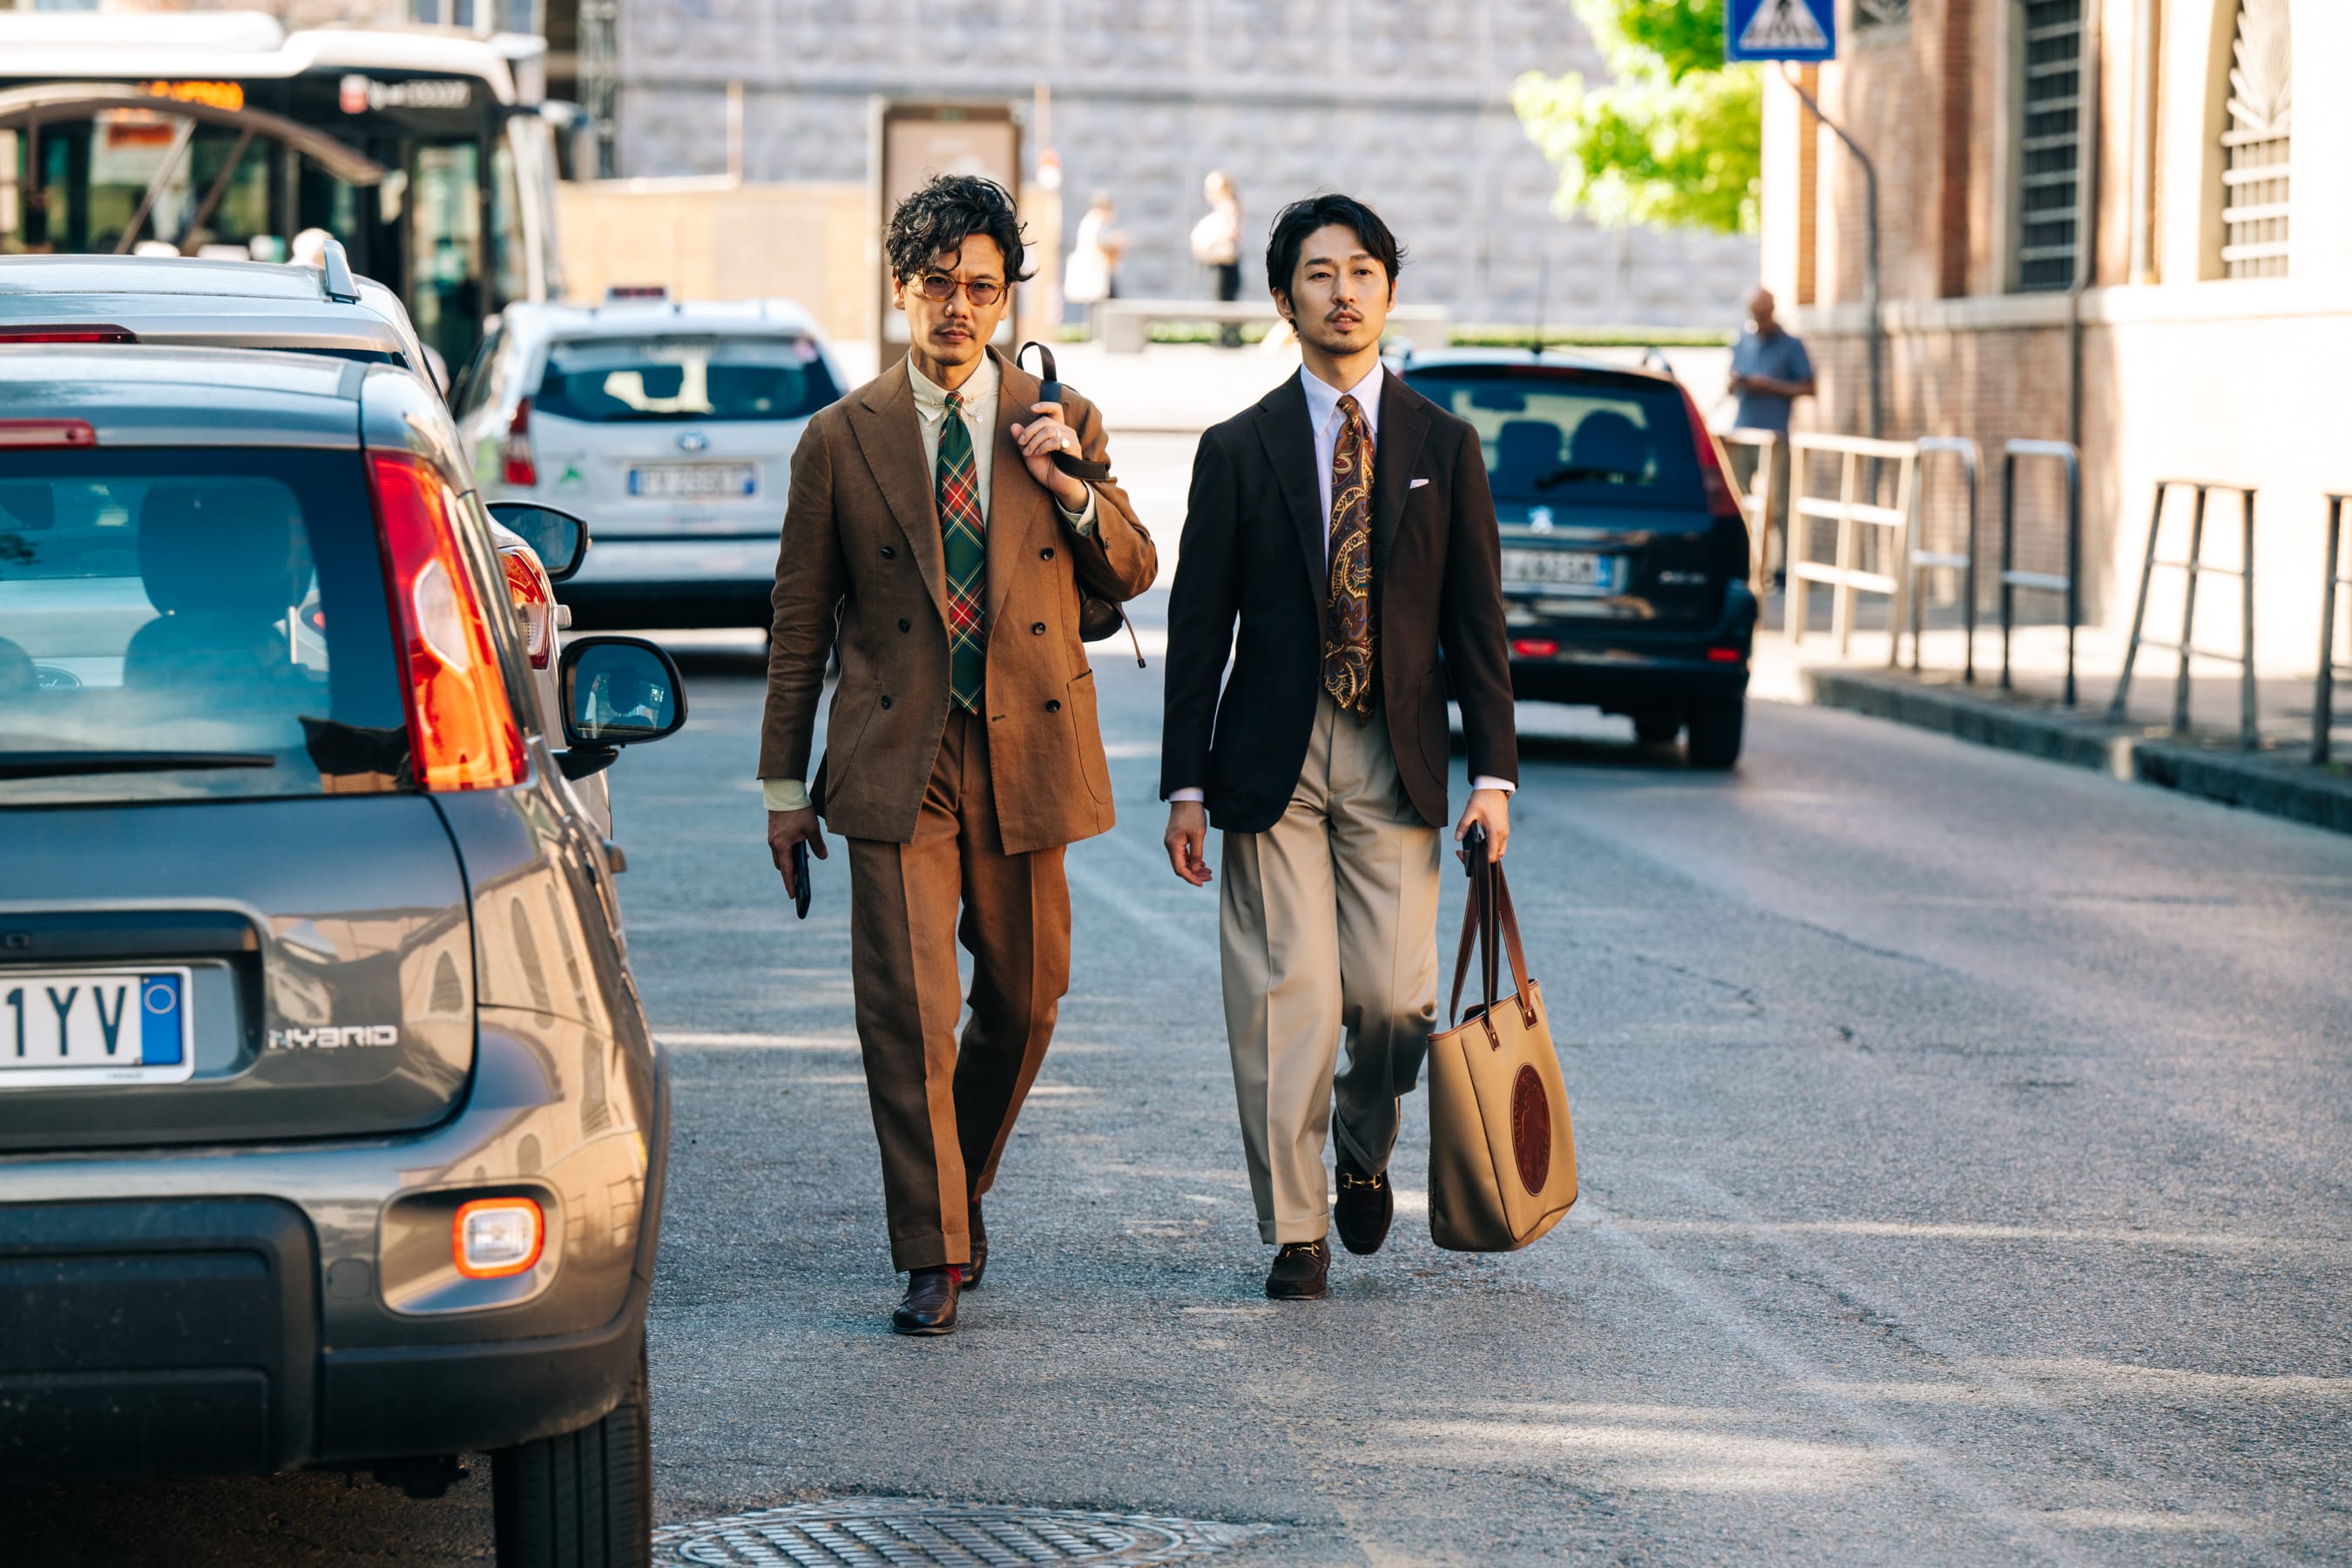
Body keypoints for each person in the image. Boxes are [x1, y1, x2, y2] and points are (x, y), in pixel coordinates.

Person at [760, 174, 1157, 1335]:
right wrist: (785, 791)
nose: (958, 308)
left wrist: (1071, 485)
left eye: (981, 287)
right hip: (899, 757)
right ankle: (931, 1251)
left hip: (1026, 744)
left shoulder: (1057, 415)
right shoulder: (839, 439)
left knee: (1028, 1002)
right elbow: (798, 624)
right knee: (908, 1007)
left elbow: (1133, 571)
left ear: (1005, 297)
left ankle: (959, 1191)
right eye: (937, 284)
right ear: (901, 289)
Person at [1159, 193, 1517, 1301]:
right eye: (1320, 273)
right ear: (1284, 299)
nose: (1343, 290)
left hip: (1394, 755)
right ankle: (1298, 1227)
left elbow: (1477, 623)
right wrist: (1182, 782)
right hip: (1269, 756)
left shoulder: (1443, 447)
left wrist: (1493, 775)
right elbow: (1198, 627)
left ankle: (1364, 1151)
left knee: (1396, 1009)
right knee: (1290, 999)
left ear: (1389, 292)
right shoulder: (1237, 448)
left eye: (1363, 270)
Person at [1726, 287, 1816, 581]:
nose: (1758, 320)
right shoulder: (1743, 339)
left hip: (1775, 436)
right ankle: (1742, 565)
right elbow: (1727, 385)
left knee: (1778, 505)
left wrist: (1770, 385)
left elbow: (1809, 387)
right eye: (1754, 315)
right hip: (1742, 434)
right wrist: (1737, 383)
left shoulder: (1791, 345)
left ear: (1772, 312)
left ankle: (1785, 570)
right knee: (1738, 503)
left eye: (1762, 315)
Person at [1191, 172, 1244, 347]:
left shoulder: (1229, 207)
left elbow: (1232, 233)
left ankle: (1229, 337)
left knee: (1225, 298)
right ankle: (1226, 335)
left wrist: (1212, 240)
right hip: (1219, 262)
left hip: (1226, 263)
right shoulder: (1224, 207)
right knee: (1221, 297)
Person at [1063, 192, 1124, 338]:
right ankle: (1101, 335)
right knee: (1101, 304)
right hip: (1095, 270)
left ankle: (1098, 334)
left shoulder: (1091, 221)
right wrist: (1114, 242)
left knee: (1097, 305)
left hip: (1096, 270)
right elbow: (1099, 245)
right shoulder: (1095, 222)